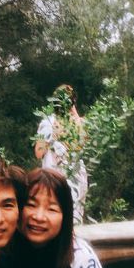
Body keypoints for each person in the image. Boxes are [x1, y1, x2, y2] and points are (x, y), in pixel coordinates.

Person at [34, 84, 89, 224]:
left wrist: (75, 117)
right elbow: (39, 152)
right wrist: (53, 135)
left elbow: (84, 143)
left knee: (73, 219)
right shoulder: (48, 123)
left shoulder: (79, 123)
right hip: (53, 177)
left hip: (76, 177)